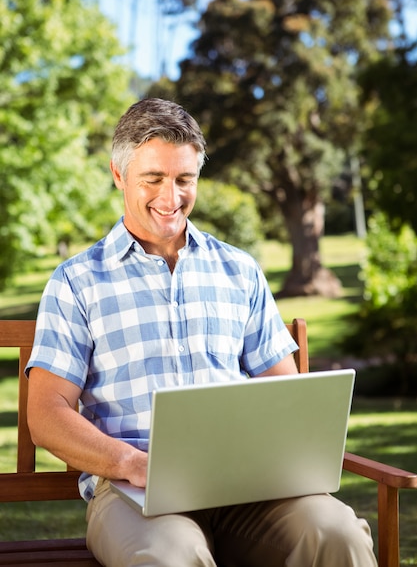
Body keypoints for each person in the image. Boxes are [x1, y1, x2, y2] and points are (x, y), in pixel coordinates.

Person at [26, 97, 377, 567]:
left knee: (339, 535)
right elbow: (46, 414)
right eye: (153, 179)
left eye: (184, 180)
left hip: (246, 487)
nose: (171, 198)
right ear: (118, 175)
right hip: (133, 491)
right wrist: (130, 463)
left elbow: (287, 394)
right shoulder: (76, 281)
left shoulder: (239, 270)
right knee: (173, 555)